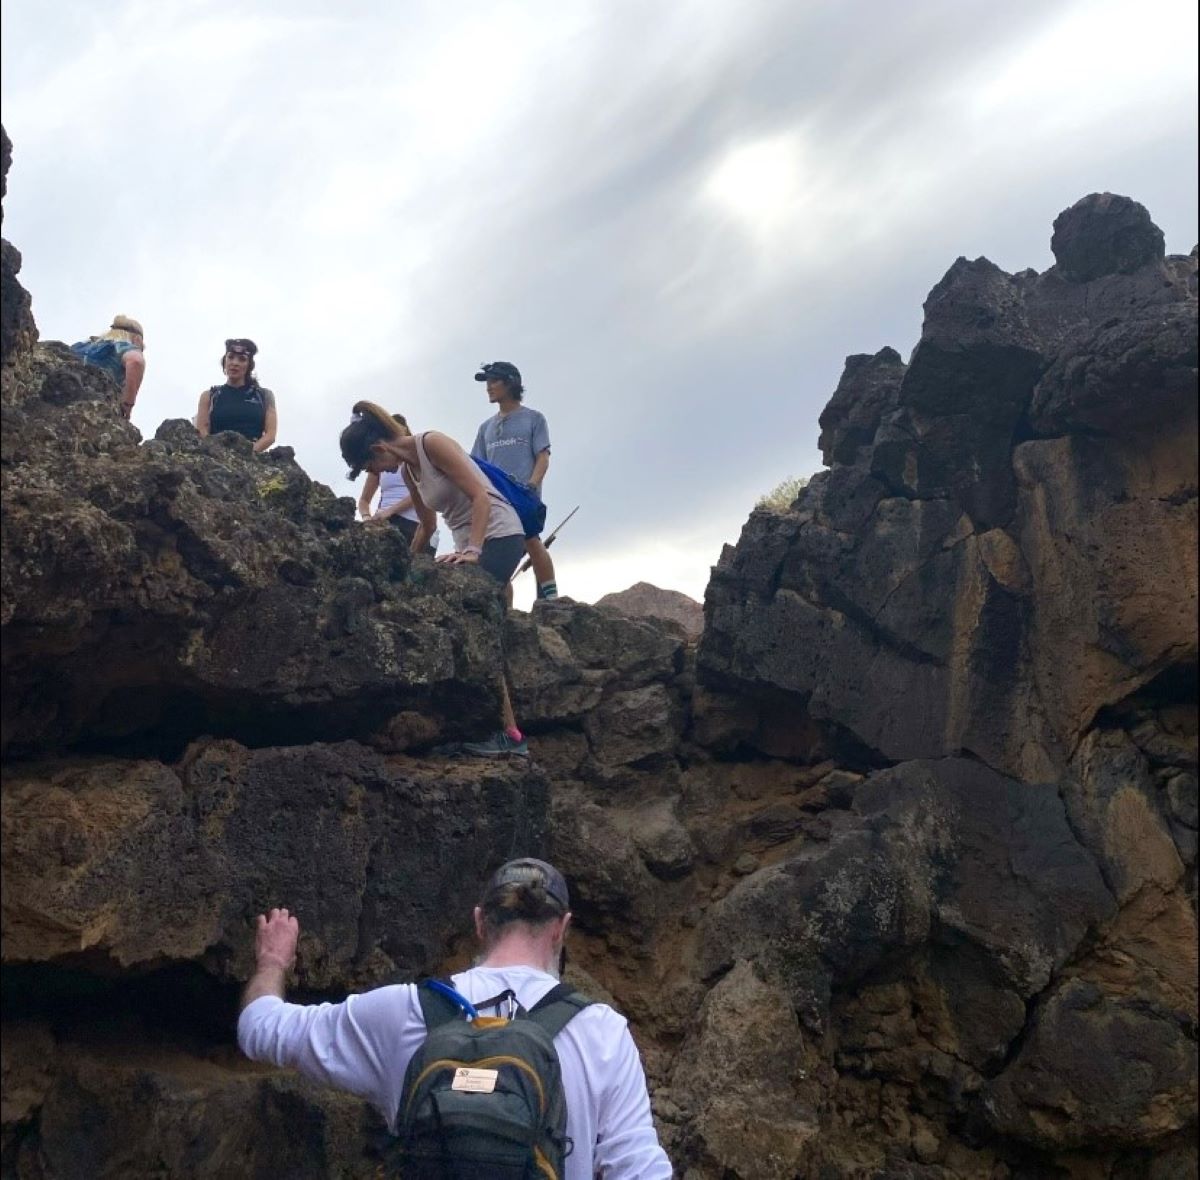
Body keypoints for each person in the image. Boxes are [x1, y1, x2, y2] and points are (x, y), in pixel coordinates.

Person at [238, 857, 672, 1179]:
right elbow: (639, 1169)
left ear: (480, 922)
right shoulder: (603, 1032)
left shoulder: (402, 1011)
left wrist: (273, 962)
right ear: (562, 928)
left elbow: (259, 1029)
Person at [340, 400, 527, 756]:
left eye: (371, 467)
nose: (376, 474)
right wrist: (405, 571)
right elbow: (426, 526)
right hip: (466, 544)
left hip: (500, 536)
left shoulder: (432, 443)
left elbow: (480, 496)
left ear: (380, 449)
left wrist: (473, 550)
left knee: (468, 622)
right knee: (470, 626)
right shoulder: (410, 470)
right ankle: (502, 732)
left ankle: (506, 734)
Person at [471, 361, 559, 601]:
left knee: (532, 541)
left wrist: (532, 485)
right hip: (495, 499)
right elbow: (476, 465)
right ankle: (506, 612)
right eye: (487, 382)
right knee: (500, 556)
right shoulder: (485, 427)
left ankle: (551, 601)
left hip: (522, 494)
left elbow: (543, 456)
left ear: (511, 382)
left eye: (494, 381)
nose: (488, 387)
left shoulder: (533, 418)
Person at [357, 413, 439, 556]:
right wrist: (367, 518)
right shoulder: (379, 462)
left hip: (413, 522)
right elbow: (364, 500)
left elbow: (421, 492)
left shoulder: (416, 458)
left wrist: (391, 511)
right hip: (384, 521)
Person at [195, 338, 278, 453]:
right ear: (225, 361)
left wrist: (248, 453)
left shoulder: (264, 396)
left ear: (249, 365)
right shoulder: (210, 396)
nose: (235, 363)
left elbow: (270, 435)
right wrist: (218, 452)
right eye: (230, 357)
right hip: (215, 458)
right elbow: (201, 430)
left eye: (242, 359)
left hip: (252, 460)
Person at [69, 314, 146, 419]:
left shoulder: (84, 345)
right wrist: (128, 404)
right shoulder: (123, 346)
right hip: (95, 406)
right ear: (137, 339)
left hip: (64, 395)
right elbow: (136, 361)